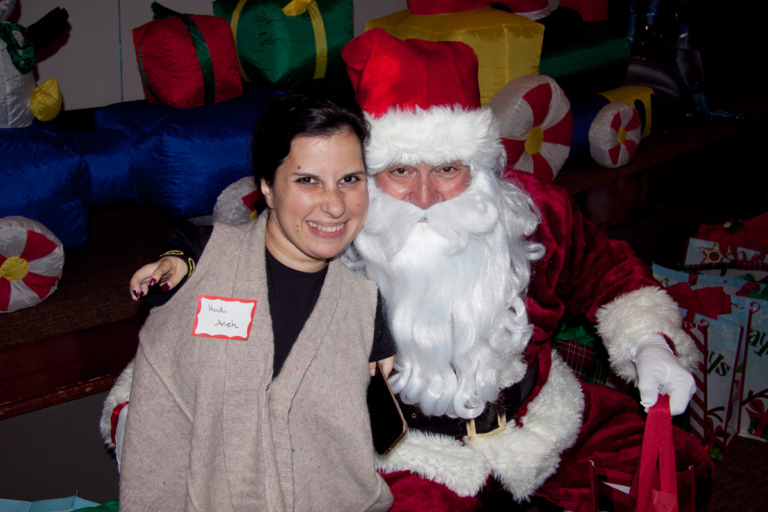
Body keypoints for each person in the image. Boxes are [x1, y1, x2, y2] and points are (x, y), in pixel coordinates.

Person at [110, 30, 714, 511]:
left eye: (447, 167)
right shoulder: (327, 235)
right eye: (400, 171)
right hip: (403, 452)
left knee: (678, 470)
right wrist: (142, 414)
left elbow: (607, 274)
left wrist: (650, 345)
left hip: (541, 419)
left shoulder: (531, 212)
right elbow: (197, 336)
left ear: (478, 167)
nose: (425, 195)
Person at [110, 88, 394, 511]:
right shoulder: (202, 264)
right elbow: (155, 439)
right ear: (266, 185)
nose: (335, 205)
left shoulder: (363, 304)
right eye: (307, 180)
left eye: (349, 179)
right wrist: (179, 259)